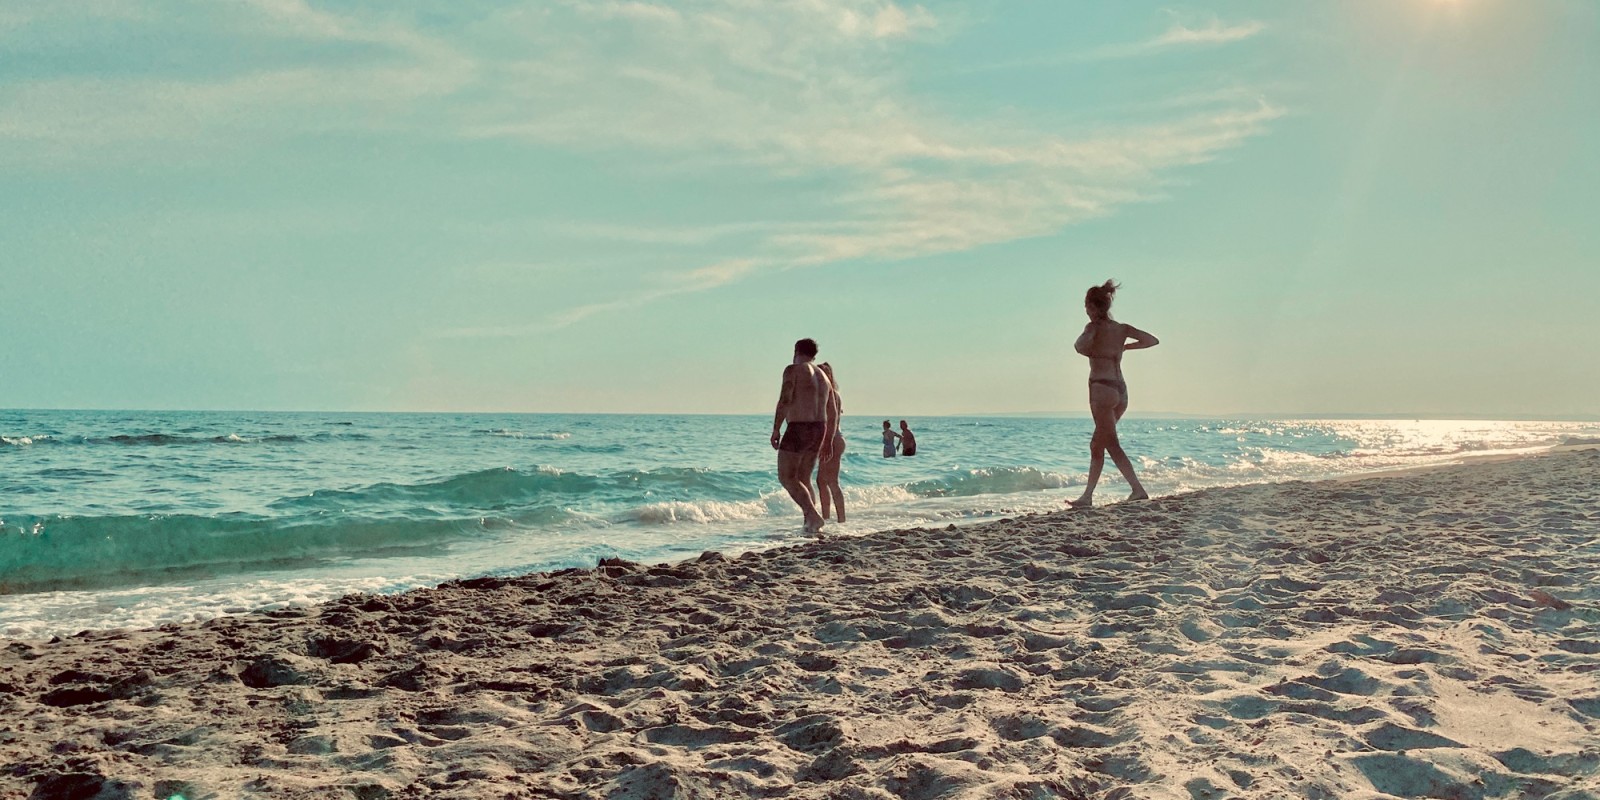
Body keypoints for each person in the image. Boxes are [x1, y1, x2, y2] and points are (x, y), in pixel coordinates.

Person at [1067, 280, 1158, 509]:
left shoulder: (1094, 328)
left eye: (1086, 306)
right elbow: (1151, 340)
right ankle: (1087, 497)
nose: (1085, 311)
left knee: (1111, 443)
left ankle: (1137, 489)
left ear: (1093, 307)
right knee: (1098, 444)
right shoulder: (1122, 329)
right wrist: (1125, 347)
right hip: (1121, 391)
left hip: (1102, 389)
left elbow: (1079, 347)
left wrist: (1093, 338)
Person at [772, 338, 837, 534]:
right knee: (804, 478)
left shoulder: (793, 370)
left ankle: (812, 515)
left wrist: (776, 428)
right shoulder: (824, 377)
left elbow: (785, 399)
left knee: (786, 477)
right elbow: (832, 411)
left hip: (799, 427)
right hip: (820, 428)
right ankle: (810, 522)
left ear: (796, 351)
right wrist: (828, 439)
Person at [814, 363, 846, 523]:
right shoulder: (830, 393)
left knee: (831, 481)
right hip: (832, 439)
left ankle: (840, 519)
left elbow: (831, 421)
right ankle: (827, 517)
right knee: (822, 481)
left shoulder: (831, 394)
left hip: (832, 439)